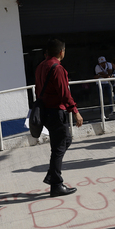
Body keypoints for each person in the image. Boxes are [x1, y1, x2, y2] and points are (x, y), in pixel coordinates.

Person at [36, 38, 84, 196]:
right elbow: (65, 94)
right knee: (59, 147)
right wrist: (75, 111)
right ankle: (56, 183)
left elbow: (38, 90)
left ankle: (52, 175)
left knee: (64, 141)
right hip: (57, 112)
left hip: (47, 112)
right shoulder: (58, 68)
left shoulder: (41, 67)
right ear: (61, 52)